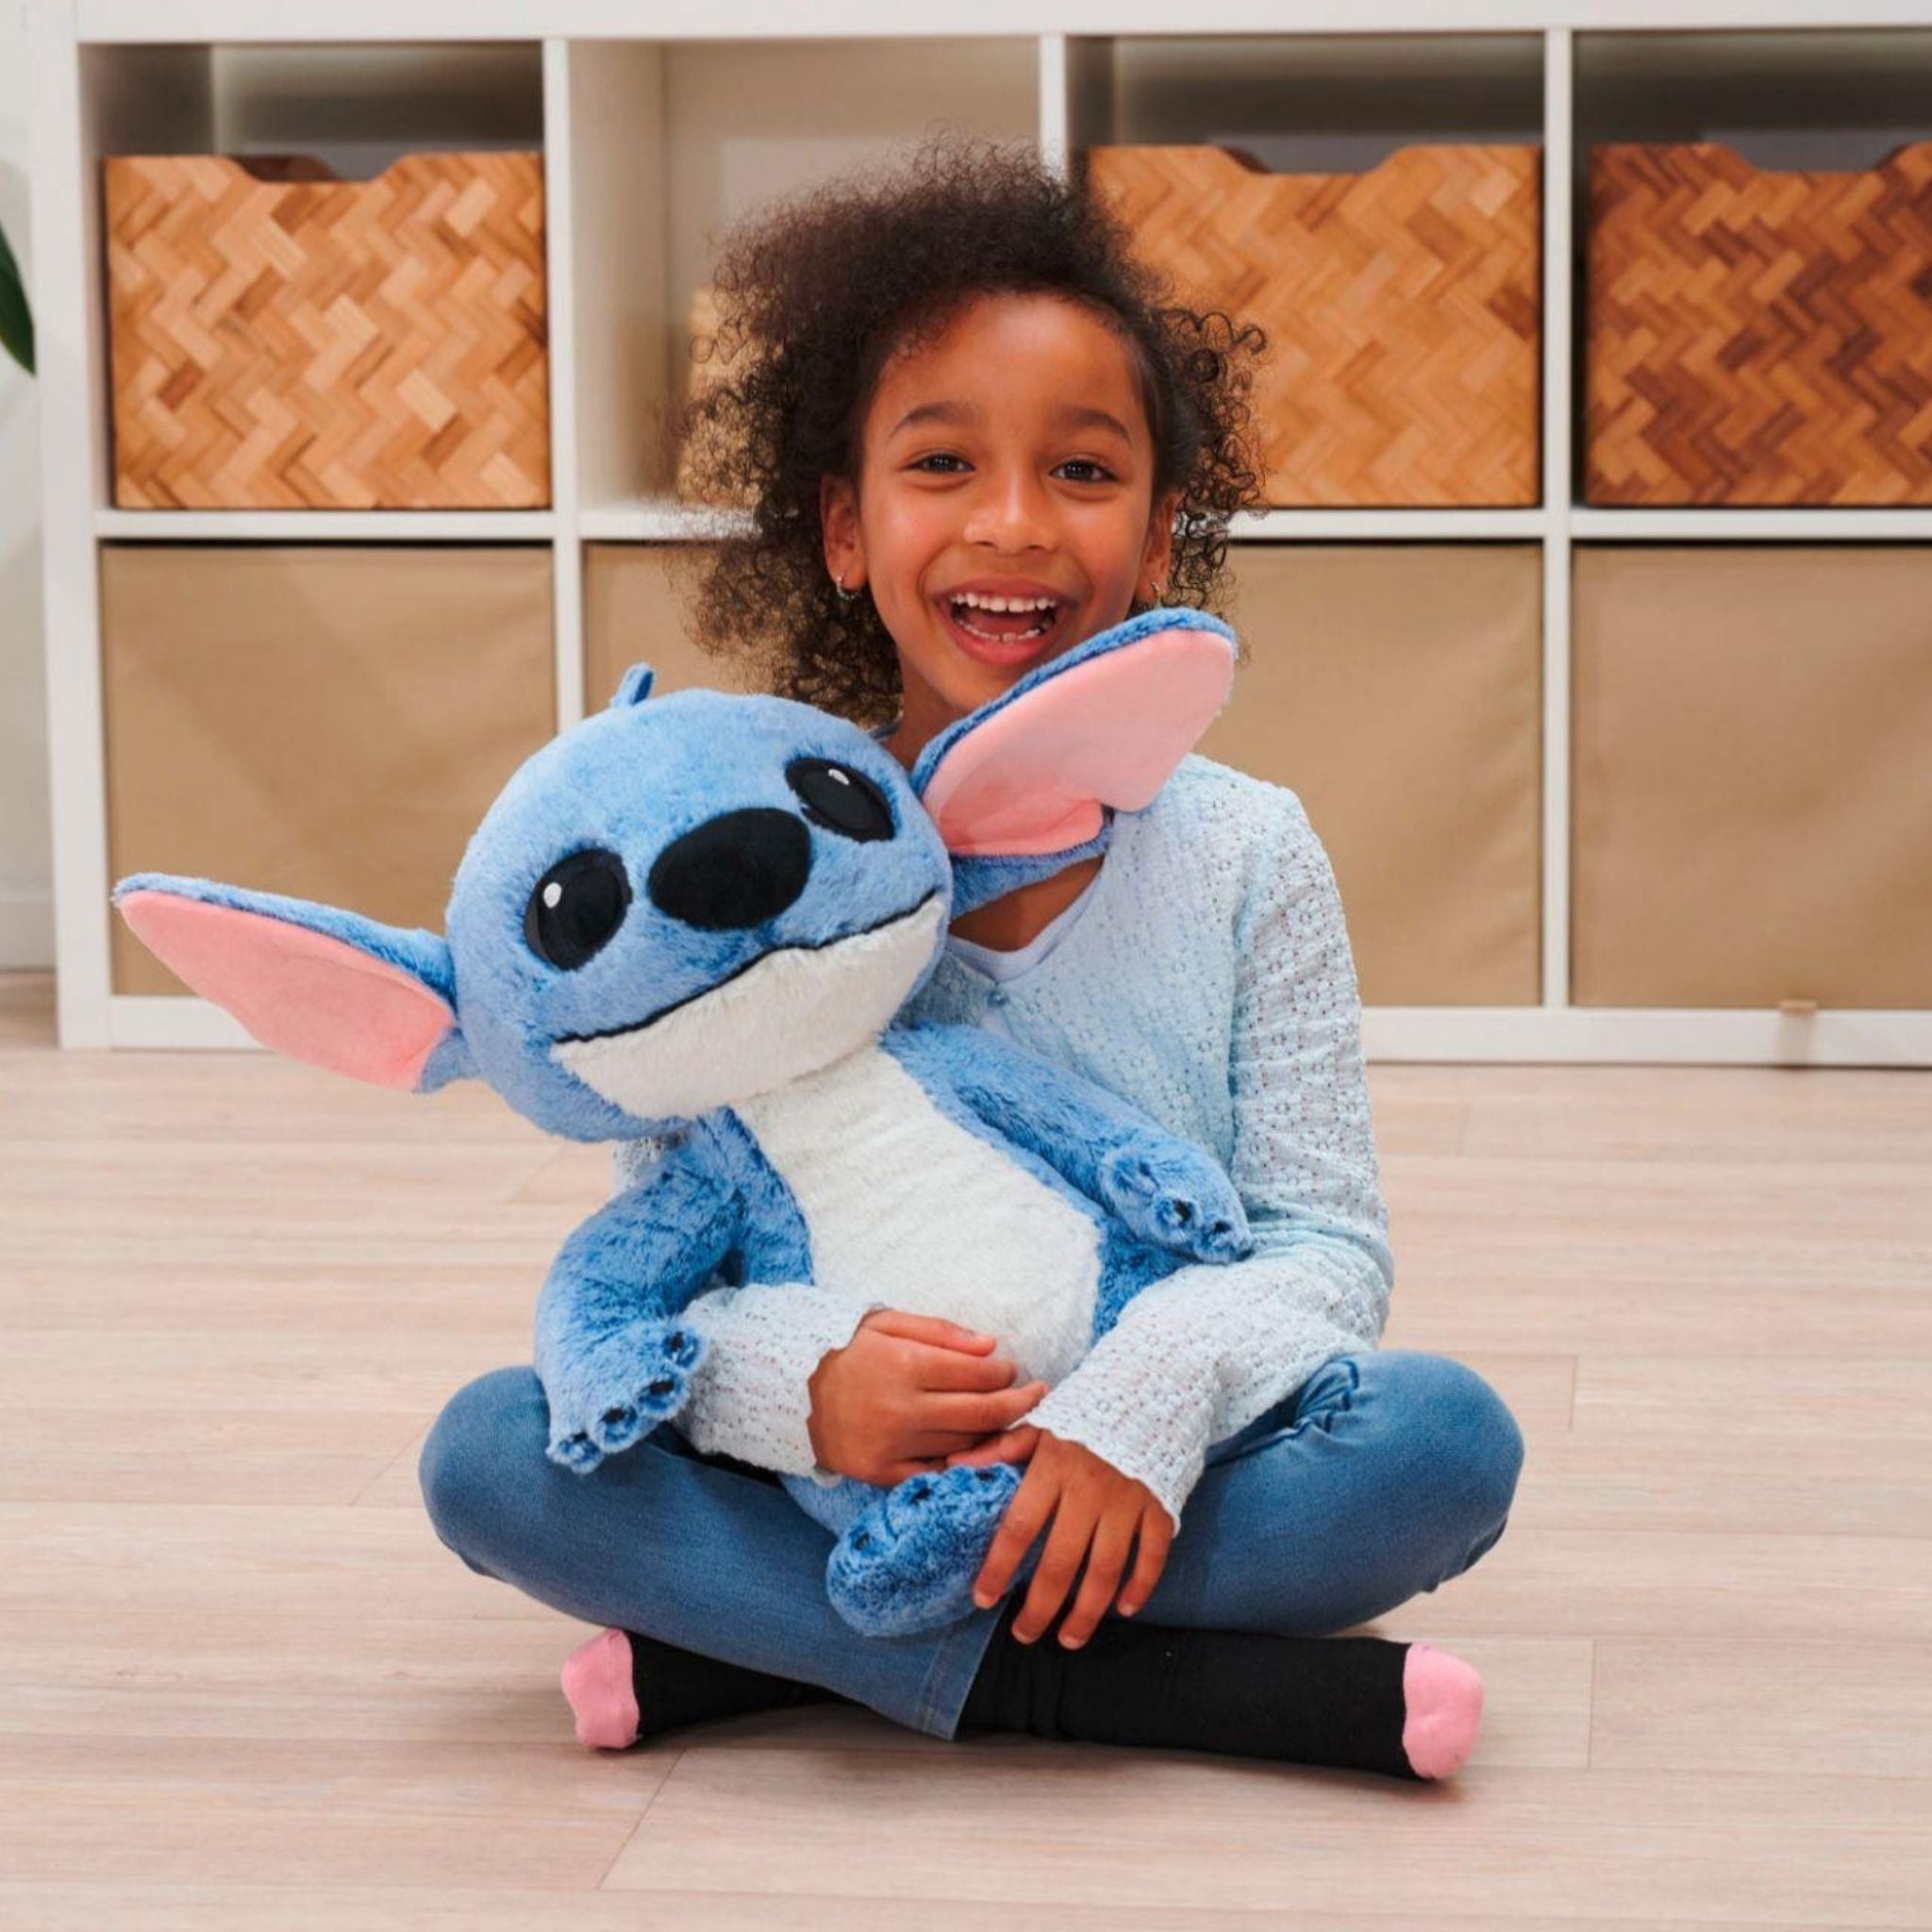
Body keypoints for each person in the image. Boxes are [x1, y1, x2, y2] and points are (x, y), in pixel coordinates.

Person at [419, 130, 1524, 1777]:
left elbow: (1322, 1250)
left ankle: (798, 1648)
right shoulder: (757, 861)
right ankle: (1120, 1686)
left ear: (1160, 540)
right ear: (844, 527)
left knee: (1442, 1447)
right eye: (942, 463)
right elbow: (676, 1267)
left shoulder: (1248, 852)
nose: (1012, 524)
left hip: (1158, 1459)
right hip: (852, 1474)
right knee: (492, 1457)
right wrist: (808, 1392)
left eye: (1081, 471)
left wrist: (1140, 1408)